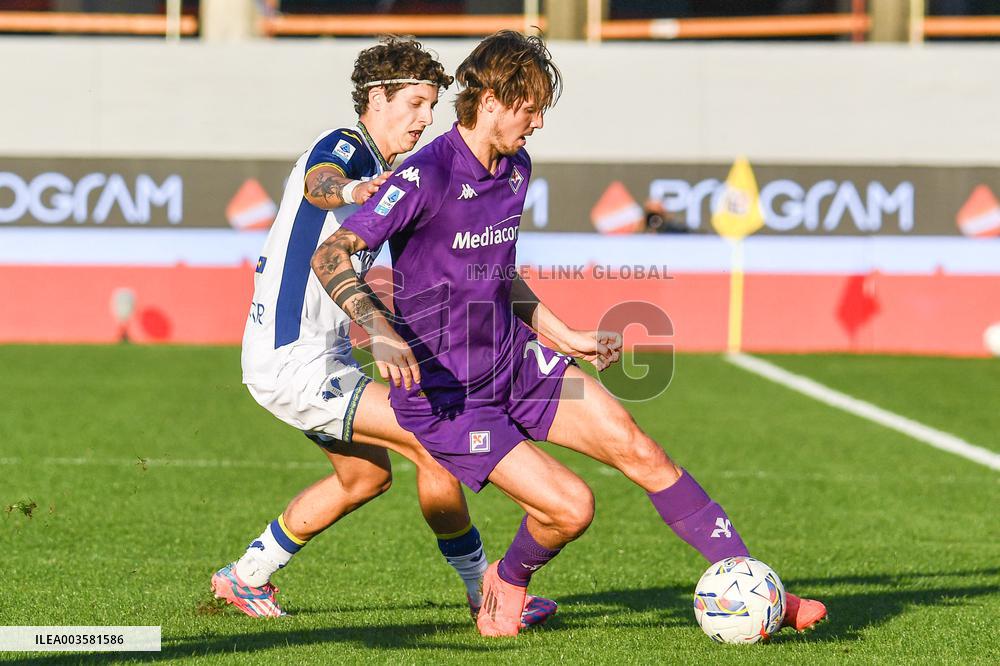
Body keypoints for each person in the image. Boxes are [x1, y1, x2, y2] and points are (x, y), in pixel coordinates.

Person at [312, 30, 828, 638]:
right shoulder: (425, 175)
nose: (537, 124)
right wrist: (378, 328)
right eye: (530, 109)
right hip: (446, 396)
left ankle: (758, 587)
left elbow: (497, 272)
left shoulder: (516, 168)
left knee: (639, 448)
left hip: (515, 362)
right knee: (572, 508)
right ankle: (507, 580)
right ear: (492, 101)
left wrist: (564, 335)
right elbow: (331, 255)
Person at [211, 37, 555, 628]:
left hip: (321, 356)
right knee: (433, 441)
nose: (425, 119)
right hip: (293, 360)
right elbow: (322, 182)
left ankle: (246, 576)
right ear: (376, 99)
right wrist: (352, 191)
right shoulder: (347, 146)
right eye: (415, 103)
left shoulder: (400, 173)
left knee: (364, 478)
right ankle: (485, 592)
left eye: (432, 106)